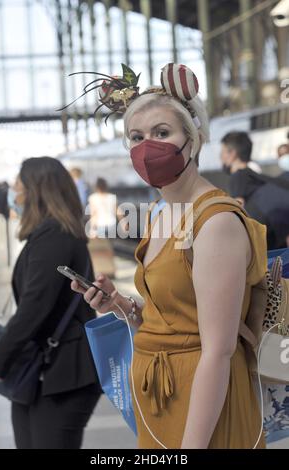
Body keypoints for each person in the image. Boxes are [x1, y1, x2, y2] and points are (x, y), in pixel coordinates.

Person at [71, 63, 267, 448]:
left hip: (206, 410)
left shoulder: (216, 223)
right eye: (137, 136)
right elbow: (177, 314)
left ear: (192, 140)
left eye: (162, 133)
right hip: (165, 400)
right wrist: (120, 305)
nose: (148, 146)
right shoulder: (163, 214)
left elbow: (219, 350)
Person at [0, 157, 101, 449]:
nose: (14, 192)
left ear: (37, 190)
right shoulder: (50, 234)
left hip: (65, 374)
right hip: (41, 372)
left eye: (18, 185)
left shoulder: (55, 236)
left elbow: (33, 308)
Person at [221, 132, 289, 249]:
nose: (220, 157)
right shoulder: (257, 176)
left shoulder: (237, 177)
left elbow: (238, 212)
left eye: (222, 152)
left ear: (232, 154)